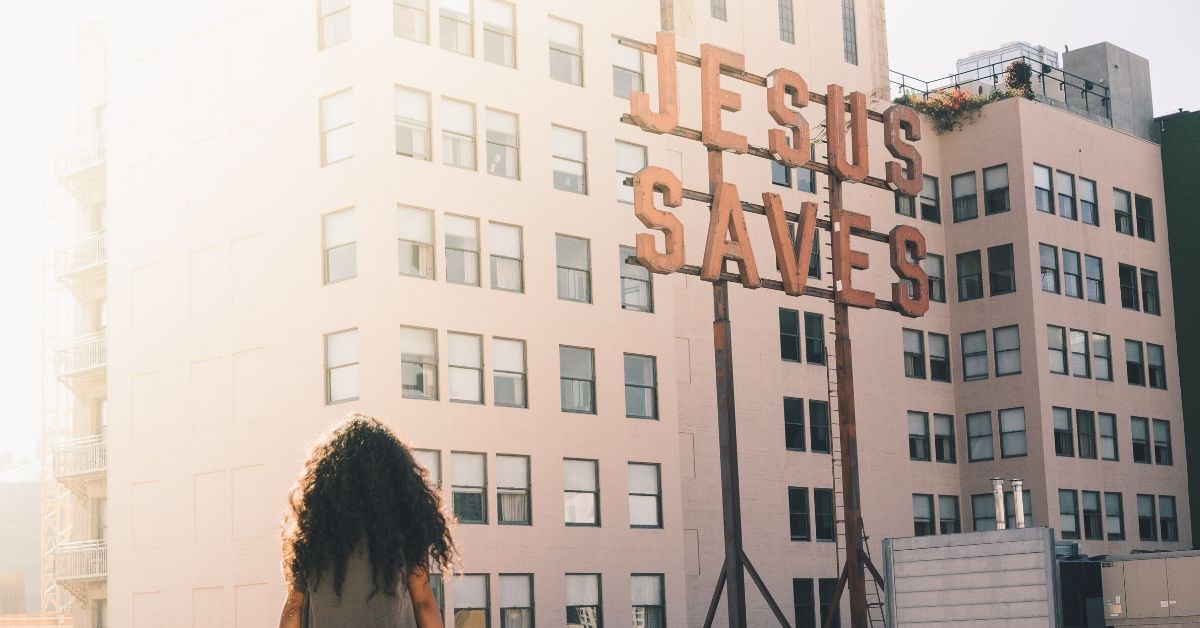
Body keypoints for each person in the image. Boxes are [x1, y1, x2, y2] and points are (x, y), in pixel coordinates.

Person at [278, 413, 455, 627]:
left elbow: (294, 607)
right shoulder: (405, 530)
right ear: (394, 477)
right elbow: (423, 603)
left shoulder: (311, 534)